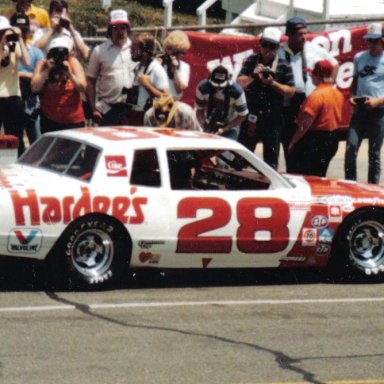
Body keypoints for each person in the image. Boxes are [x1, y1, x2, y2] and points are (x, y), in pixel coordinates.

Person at [278, 17, 339, 172]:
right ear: (289, 35)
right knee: (290, 146)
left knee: (307, 149)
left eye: (306, 33)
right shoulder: (280, 52)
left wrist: (327, 85)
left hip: (310, 101)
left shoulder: (313, 49)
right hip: (288, 104)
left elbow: (335, 64)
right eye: (300, 34)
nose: (304, 37)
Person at [237, 27, 295, 169]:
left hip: (273, 116)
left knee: (271, 159)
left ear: (277, 47)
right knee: (243, 156)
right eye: (265, 45)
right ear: (260, 44)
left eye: (272, 46)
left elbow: (291, 91)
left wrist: (272, 83)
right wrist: (252, 76)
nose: (267, 50)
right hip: (253, 114)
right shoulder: (251, 61)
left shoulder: (284, 65)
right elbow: (239, 84)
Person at [288, 60, 344, 177]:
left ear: (318, 76)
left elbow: (305, 124)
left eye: (312, 74)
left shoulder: (316, 96)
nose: (311, 77)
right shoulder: (337, 93)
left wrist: (293, 141)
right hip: (332, 138)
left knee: (306, 177)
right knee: (320, 174)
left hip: (315, 140)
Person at [345, 22, 384, 184]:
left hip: (378, 111)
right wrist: (352, 97)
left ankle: (372, 188)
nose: (371, 44)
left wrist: (376, 102)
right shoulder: (359, 57)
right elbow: (354, 82)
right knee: (351, 148)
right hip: (360, 110)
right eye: (369, 41)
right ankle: (350, 184)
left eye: (375, 41)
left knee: (374, 153)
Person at [86, 9, 136, 126]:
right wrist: (93, 107)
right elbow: (90, 81)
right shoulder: (100, 51)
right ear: (110, 29)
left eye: (123, 28)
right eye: (116, 28)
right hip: (108, 109)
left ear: (127, 29)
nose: (120, 32)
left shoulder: (135, 48)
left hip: (132, 109)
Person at [31, 35, 86, 133]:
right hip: (50, 120)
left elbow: (82, 87)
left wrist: (69, 73)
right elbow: (34, 88)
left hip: (73, 120)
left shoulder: (73, 62)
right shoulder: (43, 65)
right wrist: (47, 70)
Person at [11, 12, 44, 145]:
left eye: (25, 30)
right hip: (13, 102)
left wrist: (22, 75)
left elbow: (41, 76)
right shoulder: (6, 51)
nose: (22, 34)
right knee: (15, 140)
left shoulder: (36, 52)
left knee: (36, 140)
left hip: (31, 103)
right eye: (18, 30)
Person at [0, 15, 30, 156]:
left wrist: (20, 40)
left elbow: (26, 62)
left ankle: (13, 163)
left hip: (13, 96)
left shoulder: (14, 44)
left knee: (14, 136)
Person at [195, 63, 248, 141]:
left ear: (228, 79)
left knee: (226, 150)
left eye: (221, 86)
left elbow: (242, 115)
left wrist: (224, 129)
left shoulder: (237, 92)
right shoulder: (202, 88)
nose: (218, 88)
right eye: (215, 86)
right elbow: (199, 110)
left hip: (231, 125)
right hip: (209, 123)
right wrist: (205, 126)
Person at [128, 32, 169, 126]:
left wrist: (146, 84)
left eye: (134, 49)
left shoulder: (156, 69)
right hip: (134, 116)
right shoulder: (138, 67)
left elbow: (166, 98)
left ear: (145, 52)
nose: (130, 52)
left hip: (147, 119)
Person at [158, 30, 191, 100]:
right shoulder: (160, 62)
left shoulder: (185, 66)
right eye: (172, 51)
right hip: (159, 99)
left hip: (174, 101)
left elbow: (179, 89)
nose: (177, 55)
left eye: (180, 52)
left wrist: (175, 70)